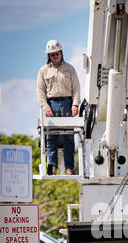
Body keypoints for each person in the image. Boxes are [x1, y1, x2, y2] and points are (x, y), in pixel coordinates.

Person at [37, 39, 80, 175]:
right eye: (52, 55)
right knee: (51, 137)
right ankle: (53, 167)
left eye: (57, 54)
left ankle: (69, 168)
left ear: (61, 53)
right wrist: (45, 107)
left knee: (68, 137)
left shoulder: (70, 69)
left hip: (67, 103)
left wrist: (75, 104)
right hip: (51, 105)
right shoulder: (43, 71)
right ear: (49, 56)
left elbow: (76, 88)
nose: (55, 56)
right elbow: (40, 91)